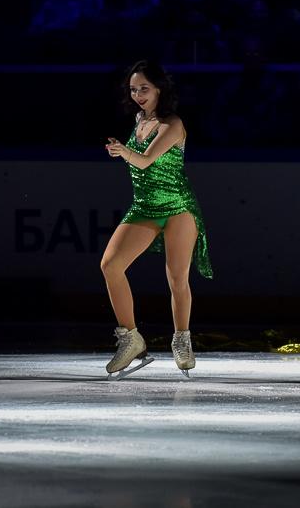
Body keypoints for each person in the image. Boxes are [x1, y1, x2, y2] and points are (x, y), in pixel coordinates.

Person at [102, 60, 213, 379]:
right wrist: (122, 149)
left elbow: (147, 160)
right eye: (133, 89)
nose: (138, 95)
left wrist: (123, 151)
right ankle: (131, 338)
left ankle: (182, 339)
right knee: (110, 265)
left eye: (144, 88)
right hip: (144, 206)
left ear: (160, 89)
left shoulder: (173, 123)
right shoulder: (138, 119)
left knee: (177, 277)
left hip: (178, 206)